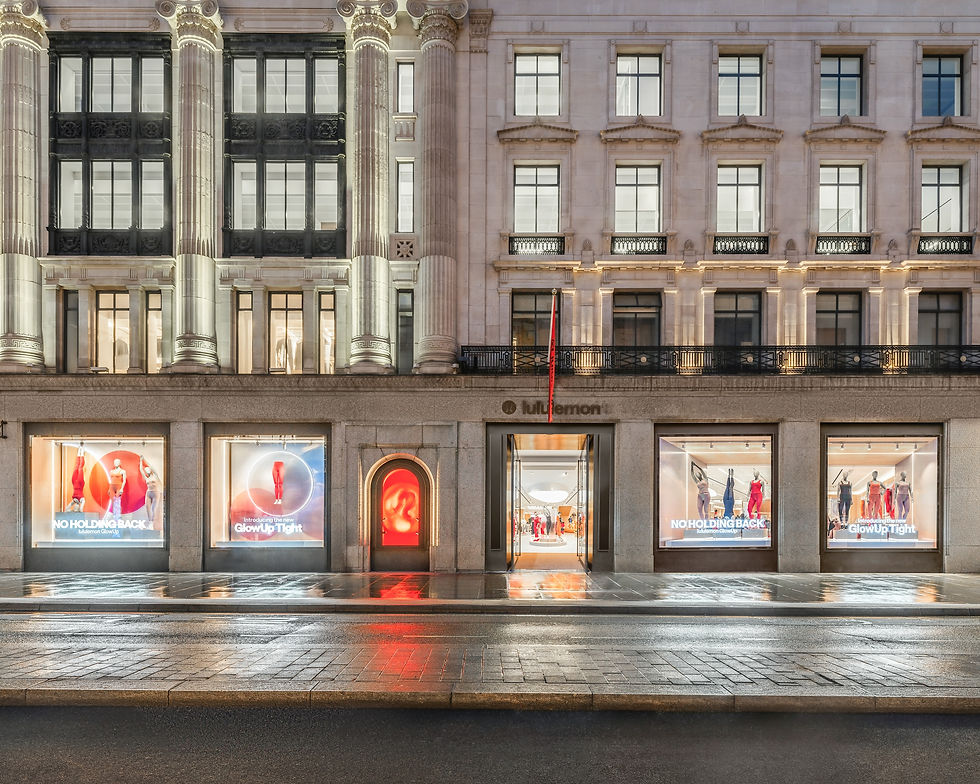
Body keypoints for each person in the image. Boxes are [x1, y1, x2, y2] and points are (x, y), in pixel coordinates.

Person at [140, 455, 162, 525]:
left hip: (156, 493)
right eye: (146, 470)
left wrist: (144, 460)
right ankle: (150, 522)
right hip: (148, 493)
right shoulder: (147, 478)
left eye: (148, 469)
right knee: (147, 507)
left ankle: (153, 522)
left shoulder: (155, 476)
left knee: (154, 508)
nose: (147, 471)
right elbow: (141, 470)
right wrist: (140, 461)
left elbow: (151, 466)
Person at [104, 458, 127, 522]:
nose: (115, 463)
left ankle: (118, 517)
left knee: (118, 502)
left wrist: (122, 488)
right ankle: (114, 517)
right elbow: (111, 480)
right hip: (112, 487)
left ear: (119, 463)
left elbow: (124, 480)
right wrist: (109, 488)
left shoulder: (123, 471)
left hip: (118, 487)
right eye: (115, 462)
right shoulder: (111, 471)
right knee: (113, 502)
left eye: (117, 462)